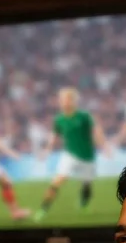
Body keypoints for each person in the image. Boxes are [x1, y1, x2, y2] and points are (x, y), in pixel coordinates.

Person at [35, 87, 111, 223]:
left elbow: (96, 130)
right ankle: (43, 209)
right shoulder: (59, 120)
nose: (65, 102)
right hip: (69, 155)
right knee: (58, 180)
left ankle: (83, 204)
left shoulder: (84, 116)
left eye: (68, 99)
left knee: (87, 184)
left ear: (74, 101)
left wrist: (104, 146)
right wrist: (47, 150)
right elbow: (54, 136)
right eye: (63, 100)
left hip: (87, 156)